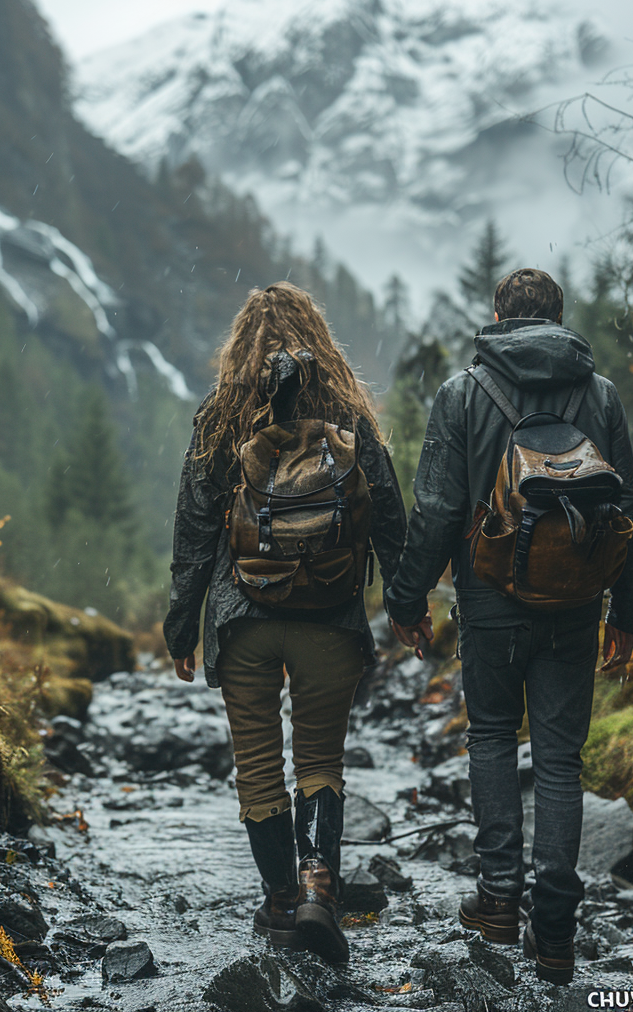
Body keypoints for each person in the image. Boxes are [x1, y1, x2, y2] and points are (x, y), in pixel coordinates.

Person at [384, 268, 633, 984]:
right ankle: (555, 933)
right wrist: (627, 611)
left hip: (492, 600)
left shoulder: (463, 393)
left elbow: (437, 511)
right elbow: (630, 513)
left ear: (499, 315)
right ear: (559, 318)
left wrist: (407, 602)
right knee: (561, 761)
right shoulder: (601, 395)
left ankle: (498, 900)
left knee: (495, 737)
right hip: (574, 605)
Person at [163, 281, 406, 964]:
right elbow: (387, 512)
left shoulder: (223, 414)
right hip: (329, 617)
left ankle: (277, 903)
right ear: (320, 339)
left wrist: (182, 627)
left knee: (260, 768)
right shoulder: (347, 411)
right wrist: (408, 606)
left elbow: (194, 530)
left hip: (244, 616)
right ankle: (318, 892)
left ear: (241, 346)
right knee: (321, 761)